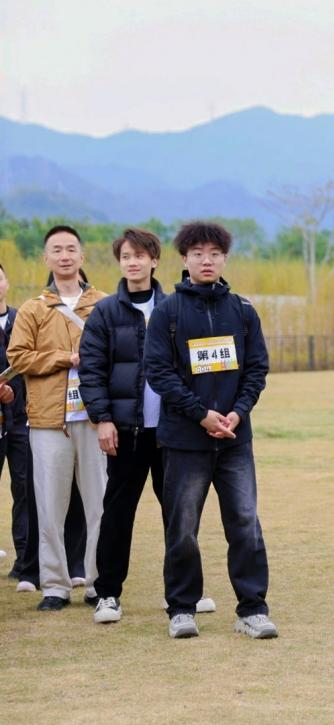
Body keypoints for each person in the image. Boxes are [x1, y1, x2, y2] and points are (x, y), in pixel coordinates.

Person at [144, 221, 275, 640]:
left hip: (235, 440)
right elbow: (158, 372)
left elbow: (256, 369)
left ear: (224, 259)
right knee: (182, 527)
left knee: (245, 522)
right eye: (198, 253)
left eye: (215, 254)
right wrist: (200, 414)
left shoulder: (243, 310)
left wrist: (237, 413)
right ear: (184, 259)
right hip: (185, 441)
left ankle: (252, 609)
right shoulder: (168, 312)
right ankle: (182, 609)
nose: (207, 260)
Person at [79, 228, 217, 624]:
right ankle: (108, 593)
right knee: (117, 513)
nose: (133, 263)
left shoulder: (175, 307)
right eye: (126, 257)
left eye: (140, 256)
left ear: (155, 260)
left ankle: (185, 593)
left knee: (180, 514)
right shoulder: (105, 312)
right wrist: (103, 419)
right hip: (126, 431)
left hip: (172, 432)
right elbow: (92, 370)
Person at [7, 226, 109, 611]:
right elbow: (18, 357)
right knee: (50, 504)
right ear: (46, 258)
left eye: (70, 249)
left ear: (82, 256)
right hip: (49, 419)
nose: (64, 256)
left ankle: (98, 581)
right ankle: (54, 584)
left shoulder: (105, 305)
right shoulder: (34, 308)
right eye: (56, 250)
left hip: (96, 417)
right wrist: (63, 358)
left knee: (100, 502)